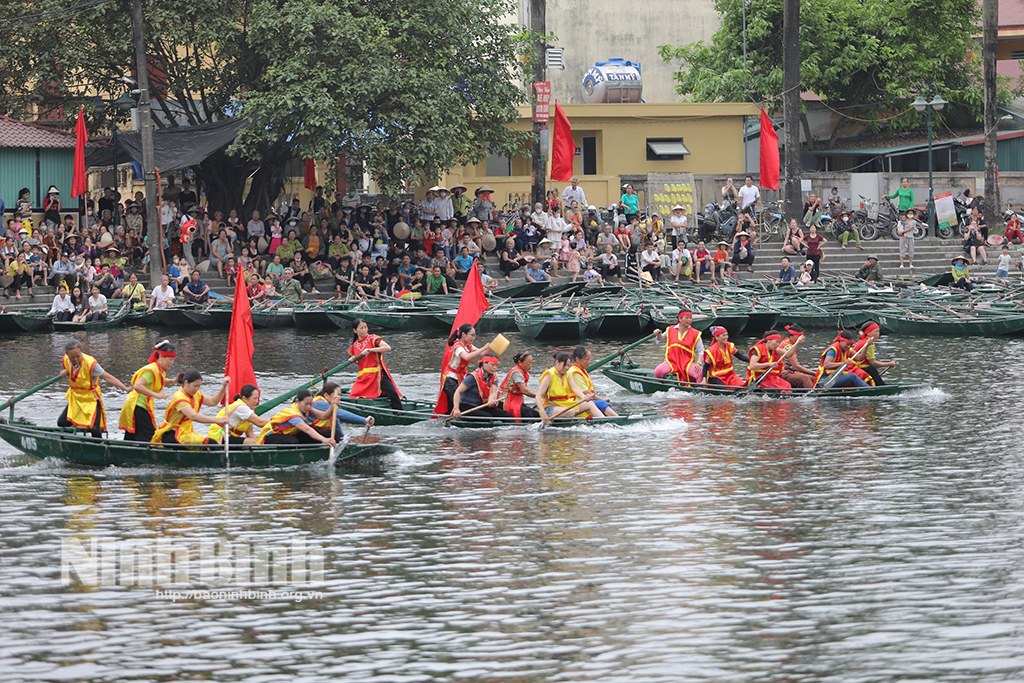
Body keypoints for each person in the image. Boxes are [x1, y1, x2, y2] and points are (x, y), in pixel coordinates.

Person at [58, 340, 130, 438]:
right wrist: (64, 372)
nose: (75, 359)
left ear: (81, 352)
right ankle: (74, 436)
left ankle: (100, 445)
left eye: (78, 356)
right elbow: (70, 374)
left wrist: (125, 388)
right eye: (72, 357)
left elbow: (107, 377)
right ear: (67, 355)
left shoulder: (91, 364)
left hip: (91, 399)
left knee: (95, 431)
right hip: (76, 398)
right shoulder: (66, 360)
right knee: (62, 423)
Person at [119, 341, 177, 442]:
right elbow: (137, 385)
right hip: (138, 405)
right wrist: (157, 395)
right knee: (149, 436)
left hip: (141, 404)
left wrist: (173, 381)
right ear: (161, 357)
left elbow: (158, 381)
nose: (171, 362)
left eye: (173, 360)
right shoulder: (151, 370)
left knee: (133, 436)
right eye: (170, 359)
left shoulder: (159, 369)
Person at [150, 370, 228, 444]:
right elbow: (193, 416)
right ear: (186, 383)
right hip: (172, 435)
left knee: (212, 443)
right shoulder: (180, 398)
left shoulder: (196, 395)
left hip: (185, 433)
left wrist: (224, 387)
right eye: (195, 386)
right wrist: (218, 420)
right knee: (211, 443)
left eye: (199, 386)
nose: (197, 389)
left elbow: (213, 401)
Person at [435, 324, 493, 414]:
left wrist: (491, 347)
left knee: (460, 400)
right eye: (472, 335)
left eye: (474, 335)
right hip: (451, 378)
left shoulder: (468, 345)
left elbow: (482, 353)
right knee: (456, 401)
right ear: (463, 335)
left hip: (461, 376)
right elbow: (467, 357)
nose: (473, 338)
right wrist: (483, 348)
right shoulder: (457, 346)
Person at [536, 351, 606, 424]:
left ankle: (606, 423)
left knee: (590, 404)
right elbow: (538, 396)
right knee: (570, 412)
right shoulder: (549, 375)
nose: (567, 368)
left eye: (569, 365)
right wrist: (543, 413)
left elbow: (575, 388)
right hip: (551, 406)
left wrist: (584, 397)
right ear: (557, 362)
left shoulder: (568, 374)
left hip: (566, 404)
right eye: (565, 365)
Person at [348, 319, 403, 410]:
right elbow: (358, 360)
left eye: (365, 327)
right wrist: (352, 359)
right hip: (365, 378)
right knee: (354, 396)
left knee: (393, 393)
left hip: (379, 374)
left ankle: (399, 413)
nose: (364, 330)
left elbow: (387, 348)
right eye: (361, 328)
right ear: (355, 330)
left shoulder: (373, 338)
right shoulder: (353, 346)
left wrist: (371, 350)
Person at [257, 389, 336, 447]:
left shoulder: (306, 409)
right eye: (306, 404)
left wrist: (332, 406)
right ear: (297, 401)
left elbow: (324, 416)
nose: (308, 407)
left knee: (327, 432)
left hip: (289, 434)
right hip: (271, 437)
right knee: (293, 441)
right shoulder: (293, 414)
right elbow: (307, 429)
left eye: (310, 404)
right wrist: (324, 440)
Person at [451, 355, 511, 420]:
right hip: (466, 406)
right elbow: (458, 392)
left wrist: (491, 400)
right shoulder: (473, 377)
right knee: (487, 417)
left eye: (496, 366)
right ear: (484, 364)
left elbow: (492, 392)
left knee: (505, 414)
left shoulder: (494, 378)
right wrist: (456, 409)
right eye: (492, 365)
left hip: (481, 406)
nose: (495, 368)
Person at [307, 383, 373, 441]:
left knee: (338, 435)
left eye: (340, 395)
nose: (339, 397)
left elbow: (337, 423)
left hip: (319, 433)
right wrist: (364, 420)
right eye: (337, 395)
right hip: (308, 434)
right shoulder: (319, 403)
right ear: (326, 395)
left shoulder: (331, 405)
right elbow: (340, 414)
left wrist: (343, 439)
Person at [565, 346, 619, 417]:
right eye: (587, 359)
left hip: (586, 400)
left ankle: (615, 417)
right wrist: (602, 399)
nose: (589, 362)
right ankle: (616, 418)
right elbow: (586, 393)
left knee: (606, 405)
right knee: (602, 404)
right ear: (577, 359)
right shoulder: (575, 373)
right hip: (577, 403)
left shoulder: (581, 369)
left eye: (589, 359)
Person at [653, 310, 704, 382]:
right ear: (680, 319)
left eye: (690, 318)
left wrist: (699, 363)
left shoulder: (696, 333)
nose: (689, 320)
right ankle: (663, 387)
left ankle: (700, 391)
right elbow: (661, 340)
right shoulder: (670, 329)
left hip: (687, 363)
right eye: (687, 318)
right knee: (658, 371)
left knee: (700, 373)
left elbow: (701, 351)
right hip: (671, 362)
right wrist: (658, 335)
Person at [849, 321, 897, 386]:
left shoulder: (863, 341)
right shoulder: (867, 344)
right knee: (872, 368)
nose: (878, 334)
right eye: (876, 331)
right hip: (856, 369)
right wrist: (889, 364)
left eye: (878, 331)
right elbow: (873, 363)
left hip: (857, 368)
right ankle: (881, 386)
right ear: (868, 333)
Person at [499, 351, 539, 419]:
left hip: (515, 400)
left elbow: (521, 393)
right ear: (520, 363)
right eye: (528, 363)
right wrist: (539, 396)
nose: (530, 366)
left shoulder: (524, 373)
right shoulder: (516, 373)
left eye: (531, 363)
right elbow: (524, 391)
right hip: (506, 400)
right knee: (527, 412)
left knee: (537, 414)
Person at [777, 324, 816, 389]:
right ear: (791, 336)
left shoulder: (788, 342)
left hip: (790, 372)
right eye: (797, 337)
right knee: (805, 378)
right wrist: (814, 373)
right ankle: (813, 395)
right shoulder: (788, 346)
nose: (799, 340)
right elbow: (796, 366)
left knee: (813, 378)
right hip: (783, 373)